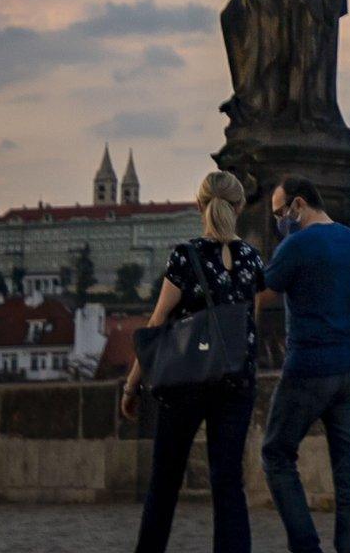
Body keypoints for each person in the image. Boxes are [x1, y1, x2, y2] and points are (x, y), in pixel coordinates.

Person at [125, 170, 265, 553]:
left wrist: (132, 383)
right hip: (236, 381)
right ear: (239, 207)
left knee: (165, 480)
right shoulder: (252, 259)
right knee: (228, 482)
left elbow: (157, 322)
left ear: (199, 205)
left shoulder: (186, 256)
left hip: (185, 379)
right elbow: (250, 322)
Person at [259, 176, 350, 553]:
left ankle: (306, 547)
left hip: (308, 368)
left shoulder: (296, 245)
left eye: (279, 212)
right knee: (349, 472)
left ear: (298, 205)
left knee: (276, 454)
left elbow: (263, 291)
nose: (278, 220)